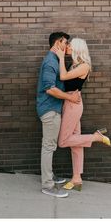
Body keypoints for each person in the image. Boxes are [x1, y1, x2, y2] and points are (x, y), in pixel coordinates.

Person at [52, 38, 111, 192]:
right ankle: (77, 178)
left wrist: (59, 57)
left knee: (63, 141)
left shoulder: (84, 66)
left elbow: (63, 77)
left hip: (73, 104)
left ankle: (96, 137)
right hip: (70, 101)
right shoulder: (75, 64)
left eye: (71, 45)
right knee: (76, 144)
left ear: (78, 48)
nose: (68, 46)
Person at [36, 32, 81, 198]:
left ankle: (50, 176)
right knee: (48, 146)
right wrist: (70, 98)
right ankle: (47, 184)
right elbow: (50, 88)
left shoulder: (55, 60)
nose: (67, 45)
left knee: (51, 145)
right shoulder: (50, 62)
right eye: (65, 42)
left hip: (52, 109)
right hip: (49, 110)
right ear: (57, 43)